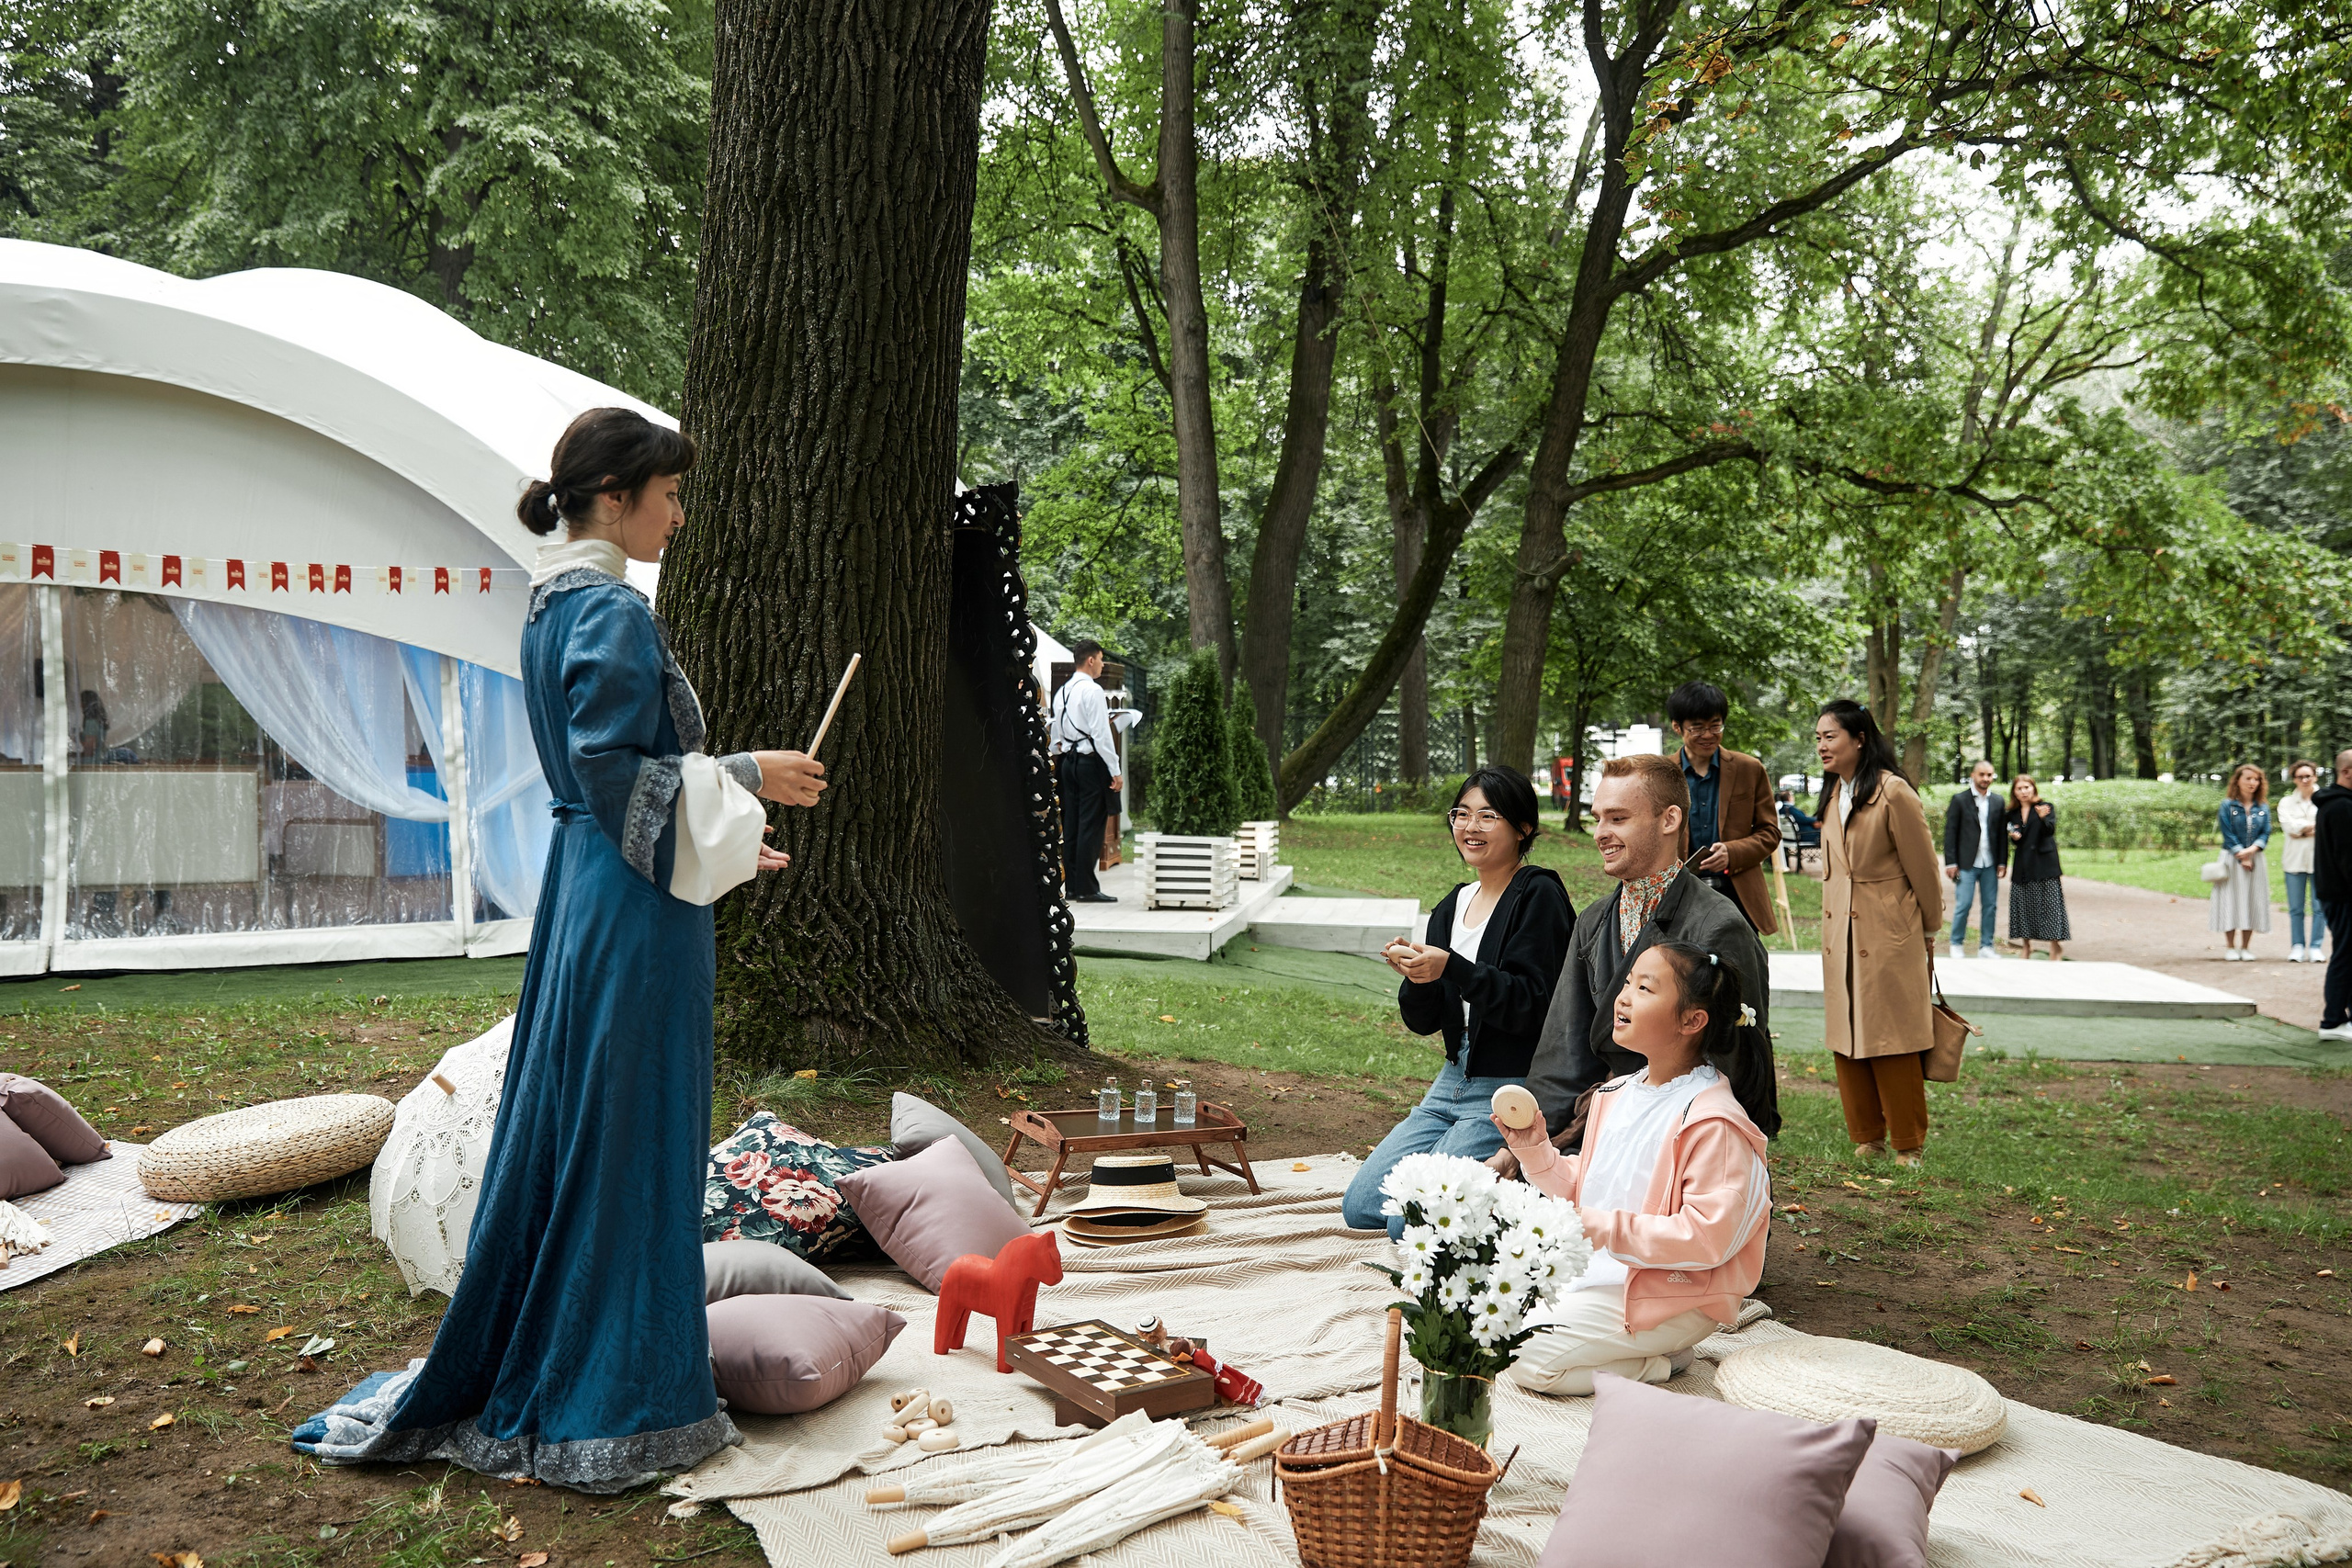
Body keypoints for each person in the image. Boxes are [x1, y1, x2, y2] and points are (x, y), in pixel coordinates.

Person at [293, 408, 827, 1490]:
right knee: (628, 1132)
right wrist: (750, 778)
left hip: (598, 890)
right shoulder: (608, 611)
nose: (679, 516)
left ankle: (591, 1354)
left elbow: (612, 788)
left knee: (600, 1120)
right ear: (617, 493)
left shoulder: (553, 606)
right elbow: (619, 776)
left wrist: (733, 838)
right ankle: (617, 1396)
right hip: (629, 910)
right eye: (669, 495)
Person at [1498, 941, 1770, 1397]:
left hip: (1670, 1296)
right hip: (1602, 1275)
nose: (1623, 997)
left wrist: (1598, 1228)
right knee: (1480, 1314)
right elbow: (1589, 1189)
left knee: (1526, 1357)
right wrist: (1536, 1152)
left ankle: (1661, 1363)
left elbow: (1707, 1238)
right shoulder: (1618, 1093)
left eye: (1645, 988)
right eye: (1627, 983)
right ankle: (1625, 1346)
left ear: (1692, 1020)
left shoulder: (1713, 1122)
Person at [1514, 753, 1779, 1170]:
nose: (1601, 833)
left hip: (1680, 1146)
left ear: (1669, 819)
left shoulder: (1718, 926)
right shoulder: (1593, 920)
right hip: (1593, 1127)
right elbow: (1562, 1054)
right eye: (1598, 818)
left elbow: (1740, 1071)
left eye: (1617, 819)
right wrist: (1528, 1144)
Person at [1342, 766, 1574, 1235]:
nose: (1471, 827)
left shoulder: (1538, 893)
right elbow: (1424, 1021)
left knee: (1404, 1221)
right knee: (1364, 1205)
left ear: (1523, 827)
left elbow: (1535, 1004)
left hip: (1506, 1087)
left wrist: (1453, 967)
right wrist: (1417, 977)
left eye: (1488, 816)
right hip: (1451, 1080)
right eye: (1461, 814)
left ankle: (1517, 1179)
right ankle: (1474, 1174)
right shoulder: (1453, 903)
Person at [1816, 699, 1942, 1167]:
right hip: (1839, 937)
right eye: (1818, 738)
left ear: (1860, 738)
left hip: (1889, 935)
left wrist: (1929, 929)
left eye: (1831, 736)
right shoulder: (1834, 794)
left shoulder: (1894, 793)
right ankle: (1867, 1136)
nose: (1822, 746)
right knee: (1847, 1036)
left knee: (1893, 1038)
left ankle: (1908, 1144)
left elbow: (1924, 870)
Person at [1667, 681, 1781, 934]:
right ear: (1677, 727)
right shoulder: (1662, 774)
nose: (1708, 735)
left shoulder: (1749, 769)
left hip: (1738, 894)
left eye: (1715, 725)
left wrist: (1732, 852)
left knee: (1743, 970)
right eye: (1697, 727)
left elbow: (1770, 832)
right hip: (1680, 894)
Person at [1050, 640, 1123, 903]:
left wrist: (1061, 753)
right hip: (1090, 763)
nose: (1103, 665)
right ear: (1090, 660)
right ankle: (1087, 888)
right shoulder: (1092, 691)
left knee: (1071, 825)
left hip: (1068, 762)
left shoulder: (1063, 691)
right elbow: (1102, 735)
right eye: (1101, 659)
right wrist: (1115, 771)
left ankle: (1070, 886)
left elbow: (1056, 732)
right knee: (1090, 826)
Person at [1942, 758, 2007, 958]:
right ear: (1973, 775)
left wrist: (2003, 862)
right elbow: (1950, 832)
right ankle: (1956, 943)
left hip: (1990, 862)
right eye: (1982, 774)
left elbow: (2001, 835)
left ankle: (1986, 947)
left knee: (1990, 905)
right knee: (1964, 904)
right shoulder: (1960, 800)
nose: (1986, 778)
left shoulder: (1998, 801)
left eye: (1989, 775)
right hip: (1966, 863)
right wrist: (1951, 862)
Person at [2004, 774, 2071, 960]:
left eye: (2027, 787)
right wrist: (2014, 837)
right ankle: (2026, 946)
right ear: (2014, 792)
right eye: (2020, 788)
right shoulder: (2011, 813)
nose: (2024, 791)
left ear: (2033, 788)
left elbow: (2050, 830)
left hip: (2044, 864)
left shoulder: (2044, 806)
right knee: (2023, 905)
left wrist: (2042, 818)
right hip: (2023, 865)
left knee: (2050, 906)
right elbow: (2015, 835)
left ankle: (2055, 946)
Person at [2212, 763, 2272, 960]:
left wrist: (2251, 851)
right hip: (2231, 859)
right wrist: (2241, 854)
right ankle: (2230, 947)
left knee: (2251, 900)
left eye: (2256, 779)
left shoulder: (2262, 807)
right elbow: (2227, 833)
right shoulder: (2227, 805)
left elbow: (2266, 832)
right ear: (2237, 780)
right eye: (2248, 778)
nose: (2252, 783)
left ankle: (2246, 947)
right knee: (2230, 900)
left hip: (2255, 860)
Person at [2312, 751, 2352, 1042]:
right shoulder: (2340, 807)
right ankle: (2332, 1022)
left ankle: (2340, 1019)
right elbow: (2348, 857)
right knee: (2345, 955)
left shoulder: (2339, 804)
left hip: (2338, 892)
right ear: (2347, 772)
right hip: (2343, 894)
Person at [2280, 761, 2322, 963]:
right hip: (2294, 861)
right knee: (2296, 908)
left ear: (2315, 776)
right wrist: (2313, 827)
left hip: (2321, 862)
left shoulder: (2326, 799)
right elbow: (2290, 829)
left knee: (2319, 907)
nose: (2305, 780)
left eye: (2308, 776)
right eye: (2300, 777)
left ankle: (2316, 946)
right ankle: (2297, 946)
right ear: (2294, 779)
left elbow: (2329, 827)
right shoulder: (2286, 803)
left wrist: (2301, 828)